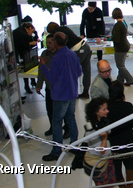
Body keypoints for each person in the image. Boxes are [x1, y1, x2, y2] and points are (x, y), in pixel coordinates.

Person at [39, 32, 82, 161]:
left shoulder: (57, 58)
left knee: (57, 122)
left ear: (56, 42)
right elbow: (79, 72)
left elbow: (51, 78)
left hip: (60, 95)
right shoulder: (72, 54)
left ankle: (56, 151)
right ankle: (74, 145)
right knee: (71, 118)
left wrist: (43, 66)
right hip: (72, 93)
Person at [47, 22, 92, 98]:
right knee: (86, 71)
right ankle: (86, 92)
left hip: (78, 49)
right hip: (85, 46)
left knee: (71, 72)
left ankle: (71, 93)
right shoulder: (64, 28)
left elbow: (61, 47)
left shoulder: (58, 34)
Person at [36, 35, 69, 138]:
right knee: (50, 109)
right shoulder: (44, 54)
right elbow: (41, 70)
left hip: (60, 89)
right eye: (47, 43)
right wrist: (39, 85)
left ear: (55, 43)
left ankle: (67, 128)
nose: (48, 45)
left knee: (64, 111)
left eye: (50, 43)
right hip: (49, 88)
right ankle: (53, 127)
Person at [107, 81, 133, 187]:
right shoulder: (128, 106)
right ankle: (130, 185)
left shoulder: (107, 108)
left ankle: (121, 185)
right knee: (130, 164)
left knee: (117, 167)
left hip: (115, 142)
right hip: (128, 141)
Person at [84, 97, 117, 185]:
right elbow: (102, 152)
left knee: (112, 183)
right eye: (104, 109)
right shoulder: (92, 131)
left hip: (107, 160)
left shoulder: (103, 121)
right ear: (96, 112)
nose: (107, 111)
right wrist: (105, 138)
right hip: (99, 163)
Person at [13, 21, 39, 94]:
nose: (31, 34)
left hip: (22, 52)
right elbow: (24, 45)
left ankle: (31, 83)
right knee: (26, 69)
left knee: (28, 67)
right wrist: (31, 43)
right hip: (22, 53)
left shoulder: (20, 30)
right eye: (32, 31)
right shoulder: (23, 34)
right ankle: (27, 86)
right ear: (29, 28)